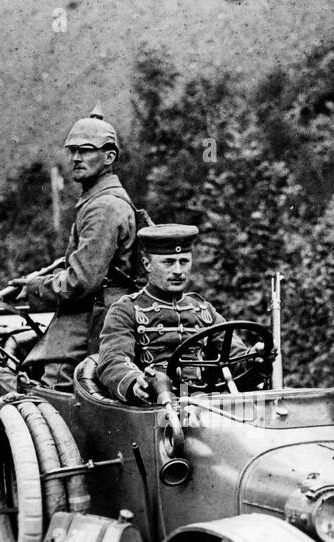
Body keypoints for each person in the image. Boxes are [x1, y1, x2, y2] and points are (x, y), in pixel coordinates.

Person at [13, 108, 143, 390]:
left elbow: (82, 281)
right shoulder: (100, 201)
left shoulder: (104, 207)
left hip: (89, 322)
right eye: (72, 151)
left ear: (109, 157)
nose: (75, 158)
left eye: (85, 151)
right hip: (100, 315)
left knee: (52, 392)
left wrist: (37, 288)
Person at [97, 224, 233, 404]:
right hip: (154, 407)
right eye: (168, 262)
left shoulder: (204, 310)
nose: (178, 271)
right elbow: (113, 360)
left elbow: (234, 354)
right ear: (147, 264)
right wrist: (135, 383)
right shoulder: (126, 310)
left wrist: (256, 355)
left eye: (184, 261)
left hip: (204, 403)